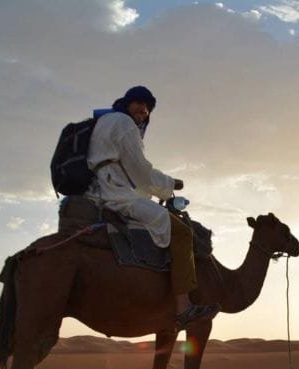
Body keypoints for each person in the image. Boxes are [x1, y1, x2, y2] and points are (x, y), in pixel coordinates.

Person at [85, 85, 219, 329]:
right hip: (117, 193)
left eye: (147, 109)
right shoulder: (124, 124)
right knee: (182, 232)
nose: (144, 111)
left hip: (102, 190)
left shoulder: (104, 122)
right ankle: (183, 306)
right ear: (126, 103)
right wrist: (170, 184)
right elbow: (140, 170)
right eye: (139, 104)